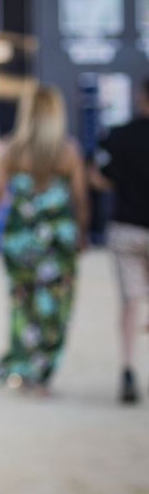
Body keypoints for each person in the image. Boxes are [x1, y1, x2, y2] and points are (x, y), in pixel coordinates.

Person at [0, 84, 88, 396]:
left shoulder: (13, 150)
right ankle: (42, 371)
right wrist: (83, 233)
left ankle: (22, 366)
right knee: (55, 308)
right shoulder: (68, 151)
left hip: (19, 242)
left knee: (22, 306)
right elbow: (80, 199)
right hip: (57, 245)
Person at [93, 77, 149, 404]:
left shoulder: (118, 136)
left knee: (130, 301)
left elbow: (99, 178)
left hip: (126, 228)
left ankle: (128, 367)